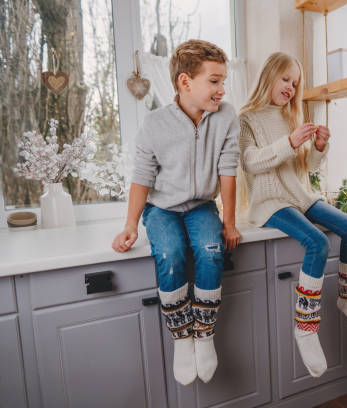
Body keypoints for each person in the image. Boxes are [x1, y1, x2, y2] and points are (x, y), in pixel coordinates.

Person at [238, 52, 347, 378]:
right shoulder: (247, 119)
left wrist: (318, 148)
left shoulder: (292, 116)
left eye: (295, 83)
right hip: (271, 201)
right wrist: (289, 141)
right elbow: (250, 162)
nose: (290, 88)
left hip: (301, 196)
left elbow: (307, 169)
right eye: (285, 79)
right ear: (269, 75)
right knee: (316, 242)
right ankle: (306, 326)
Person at [111, 39, 241, 386]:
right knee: (168, 254)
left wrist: (229, 223)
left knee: (211, 252)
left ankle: (205, 333)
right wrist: (130, 226)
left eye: (223, 81)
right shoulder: (154, 123)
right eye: (214, 81)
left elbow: (228, 171)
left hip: (200, 206)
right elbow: (141, 178)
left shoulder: (226, 116)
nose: (221, 90)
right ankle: (182, 338)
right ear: (186, 82)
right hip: (162, 209)